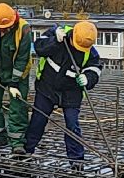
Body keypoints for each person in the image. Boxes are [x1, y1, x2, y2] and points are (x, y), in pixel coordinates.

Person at [24, 20, 103, 162]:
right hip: (47, 87)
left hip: (71, 92)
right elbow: (39, 48)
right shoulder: (56, 33)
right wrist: (55, 41)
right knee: (38, 120)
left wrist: (88, 78)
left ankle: (77, 160)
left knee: (72, 125)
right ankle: (27, 150)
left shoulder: (89, 51)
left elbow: (95, 69)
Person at [0, 2, 33, 153]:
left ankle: (17, 142)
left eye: (7, 28)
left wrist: (14, 83)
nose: (5, 30)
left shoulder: (24, 29)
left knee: (18, 107)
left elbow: (22, 59)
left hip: (18, 73)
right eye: (2, 28)